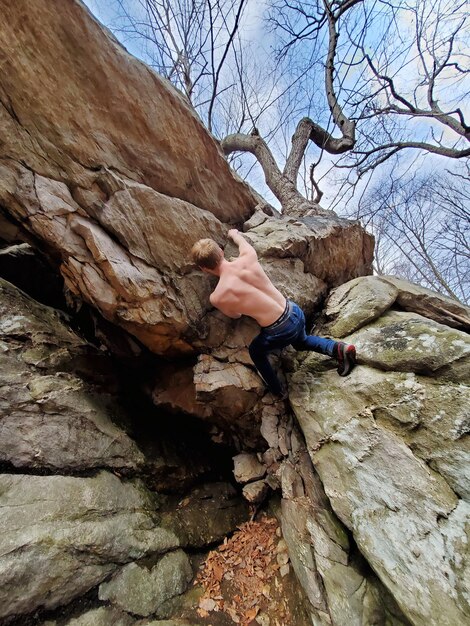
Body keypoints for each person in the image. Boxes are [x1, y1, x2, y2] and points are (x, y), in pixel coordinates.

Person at [191, 229, 356, 398]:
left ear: (204, 269)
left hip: (280, 330)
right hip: (294, 311)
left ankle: (278, 391)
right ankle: (339, 348)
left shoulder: (218, 296)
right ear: (221, 251)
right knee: (301, 341)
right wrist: (234, 234)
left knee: (256, 351)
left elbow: (236, 315)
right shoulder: (248, 256)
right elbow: (240, 240)